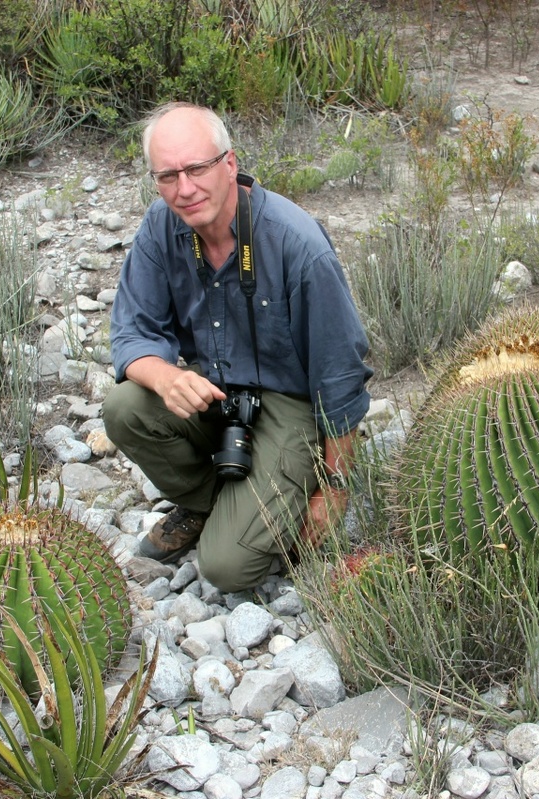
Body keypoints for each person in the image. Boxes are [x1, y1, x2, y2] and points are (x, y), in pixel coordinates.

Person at [102, 102, 372, 593]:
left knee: (226, 568)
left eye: (197, 168)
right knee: (124, 407)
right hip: (216, 390)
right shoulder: (162, 228)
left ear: (229, 163)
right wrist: (166, 376)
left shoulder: (296, 244)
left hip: (290, 405)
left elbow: (339, 377)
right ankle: (211, 505)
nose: (184, 189)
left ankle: (262, 505)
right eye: (167, 176)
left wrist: (334, 488)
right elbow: (130, 332)